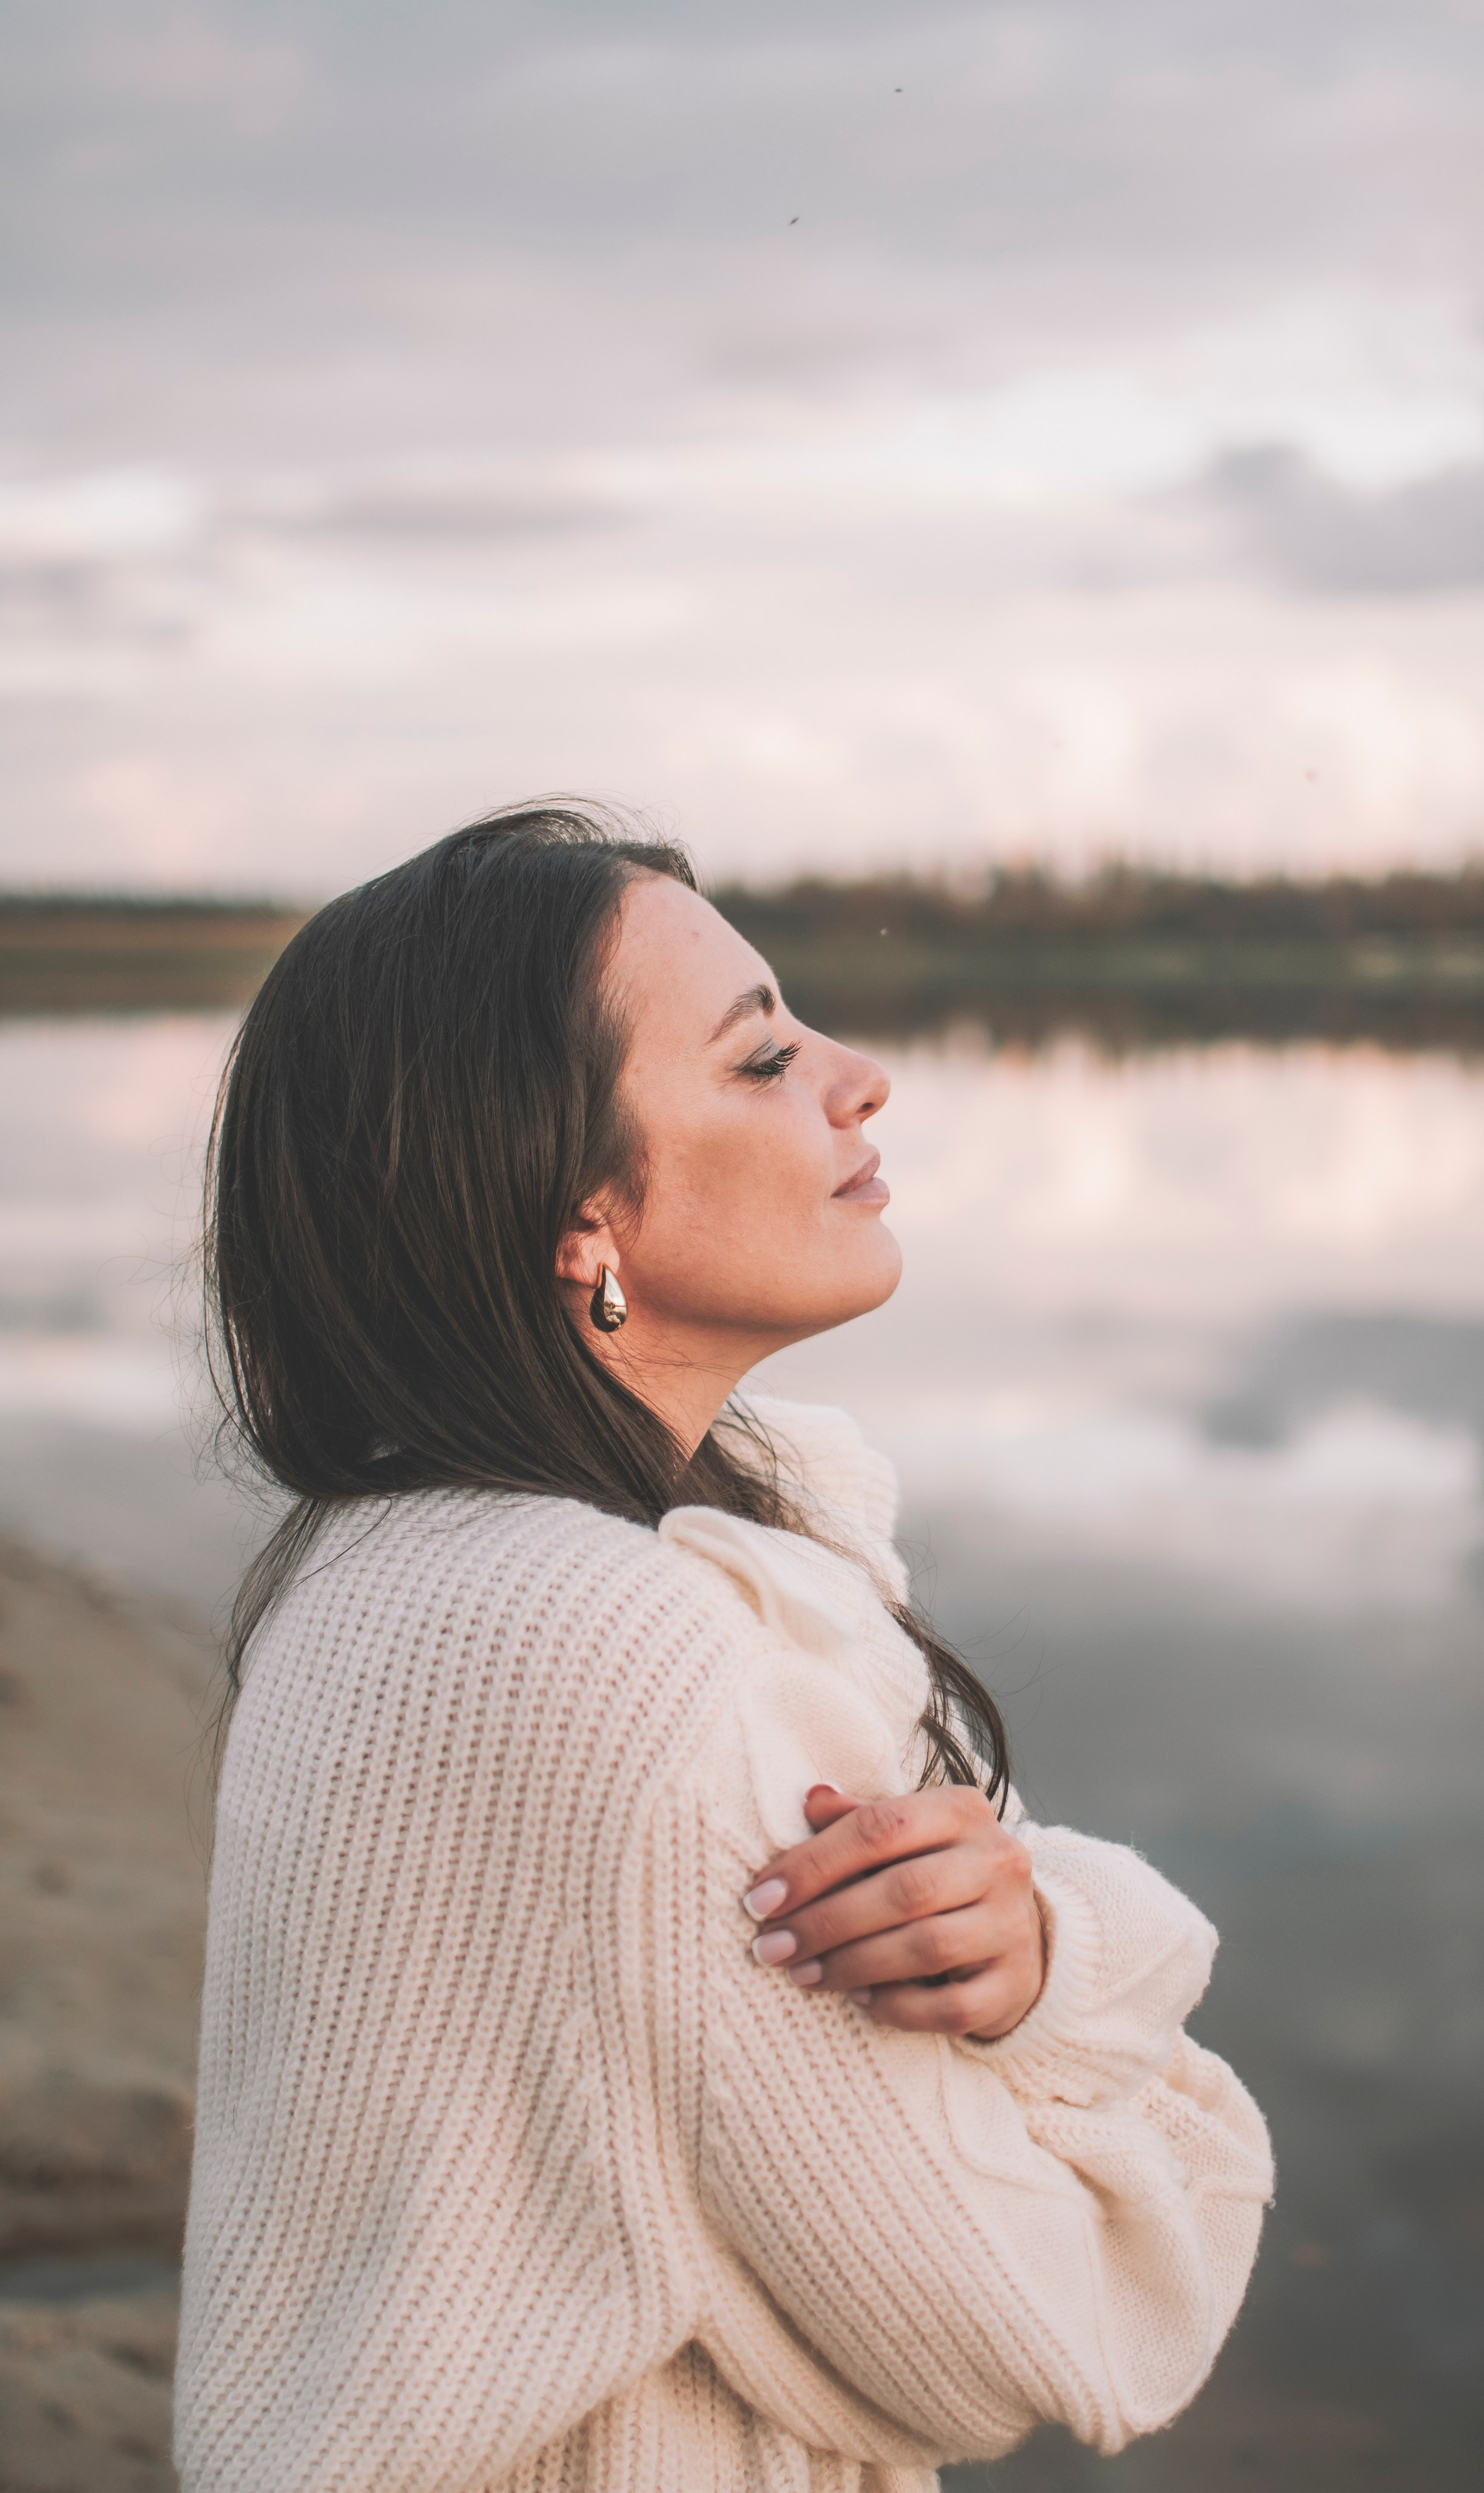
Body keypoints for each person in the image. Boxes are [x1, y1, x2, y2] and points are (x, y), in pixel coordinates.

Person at [176, 804, 1272, 2493]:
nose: (861, 1079)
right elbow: (1043, 2333)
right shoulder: (628, 1652)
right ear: (575, 1216)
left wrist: (1019, 1927)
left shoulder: (384, 1552)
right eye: (763, 1060)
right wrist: (1082, 1967)